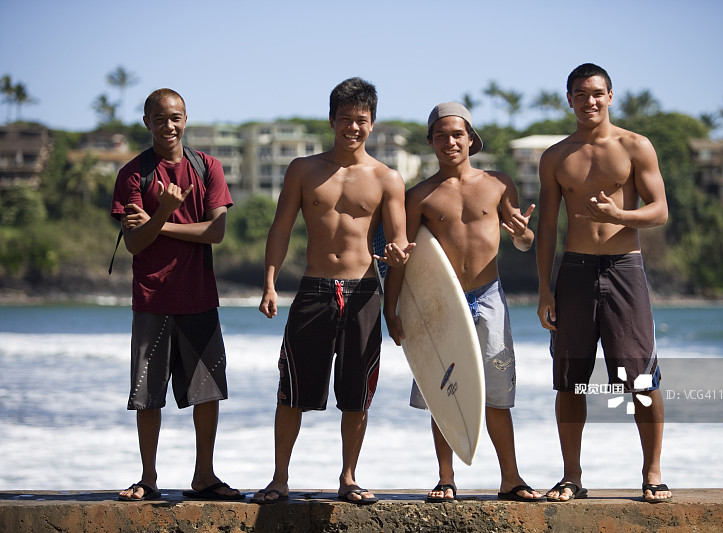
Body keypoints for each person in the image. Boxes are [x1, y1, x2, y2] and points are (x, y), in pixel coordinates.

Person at [252, 77, 412, 505]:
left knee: (357, 392)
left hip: (363, 292)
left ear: (373, 123)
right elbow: (281, 228)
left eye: (361, 121)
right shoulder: (303, 170)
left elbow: (398, 243)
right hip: (313, 289)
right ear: (331, 120)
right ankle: (279, 479)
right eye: (345, 120)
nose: (353, 128)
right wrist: (269, 282)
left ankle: (349, 478)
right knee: (292, 388)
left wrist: (395, 284)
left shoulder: (387, 178)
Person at [384, 102, 542, 504]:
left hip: (489, 296)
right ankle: (445, 477)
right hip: (441, 301)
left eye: (457, 134)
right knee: (444, 390)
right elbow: (405, 256)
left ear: (471, 138)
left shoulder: (499, 183)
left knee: (496, 392)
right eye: (441, 135)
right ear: (431, 142)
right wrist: (392, 308)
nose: (450, 141)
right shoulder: (419, 195)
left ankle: (511, 477)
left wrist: (524, 236)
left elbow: (522, 242)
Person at [536, 63, 672, 503]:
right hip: (574, 272)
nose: (589, 101)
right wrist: (544, 289)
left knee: (640, 380)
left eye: (597, 93)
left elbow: (660, 210)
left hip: (624, 269)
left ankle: (652, 474)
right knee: (570, 380)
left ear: (610, 96)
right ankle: (571, 476)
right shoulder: (556, 156)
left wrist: (620, 217)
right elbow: (548, 229)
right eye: (580, 94)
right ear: (569, 99)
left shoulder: (635, 146)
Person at [111, 88, 242, 502]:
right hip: (152, 299)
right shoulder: (135, 174)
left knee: (208, 392)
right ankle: (148, 478)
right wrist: (165, 211)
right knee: (148, 395)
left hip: (200, 297)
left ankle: (204, 476)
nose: (170, 125)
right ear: (147, 122)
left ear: (186, 120)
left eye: (177, 117)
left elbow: (216, 232)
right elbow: (134, 244)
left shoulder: (208, 168)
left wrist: (160, 222)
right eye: (161, 118)